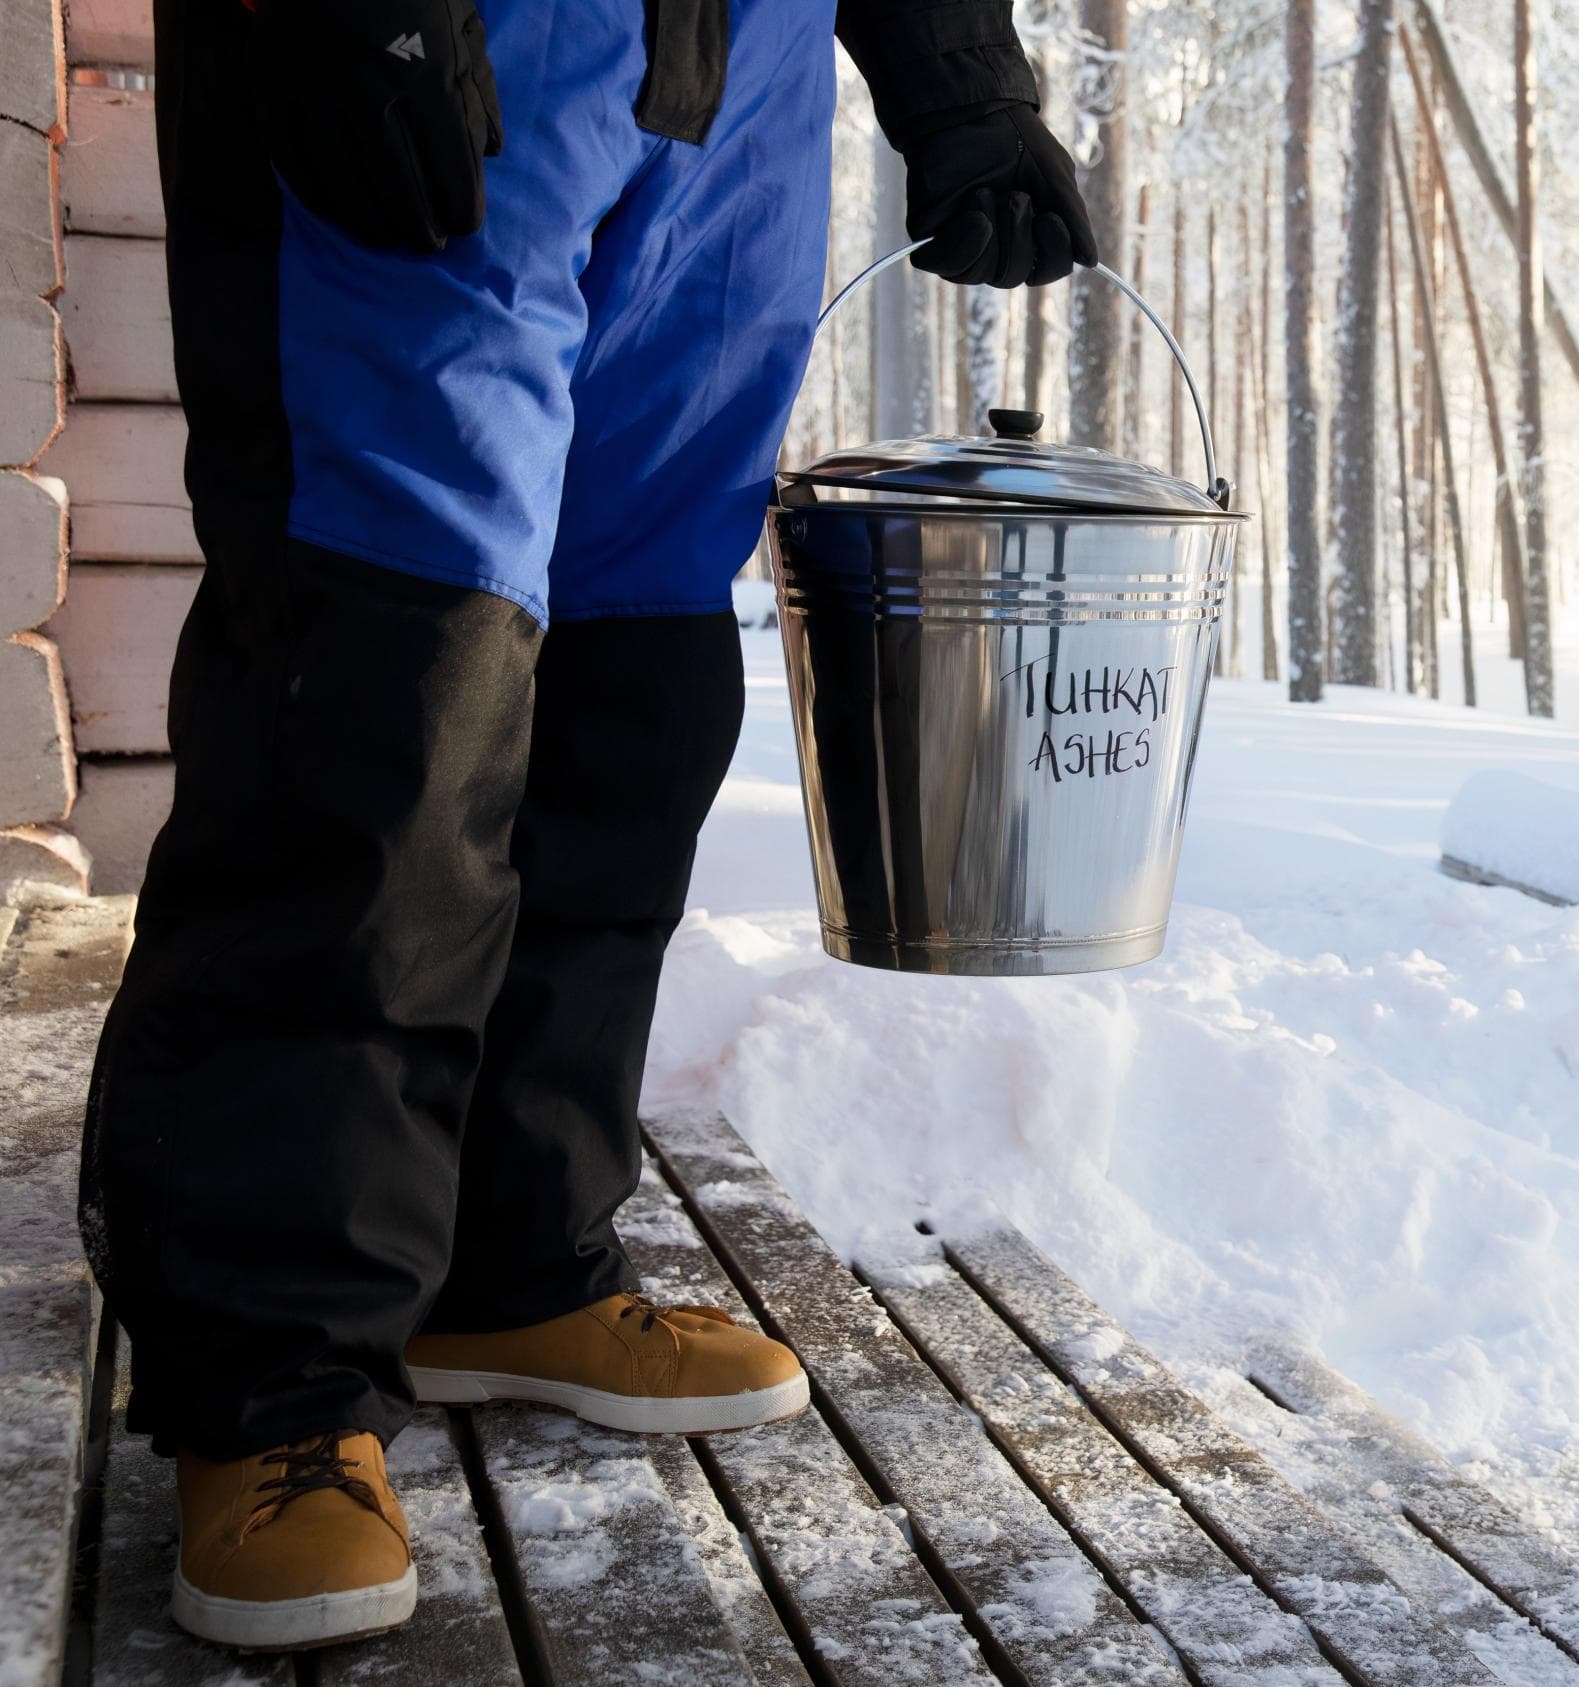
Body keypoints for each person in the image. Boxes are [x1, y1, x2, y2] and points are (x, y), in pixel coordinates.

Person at [78, 0, 1096, 1651]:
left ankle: (513, 1265)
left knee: (636, 684)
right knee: (390, 686)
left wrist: (959, 84)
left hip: (730, 88)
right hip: (441, 40)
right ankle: (270, 1380)